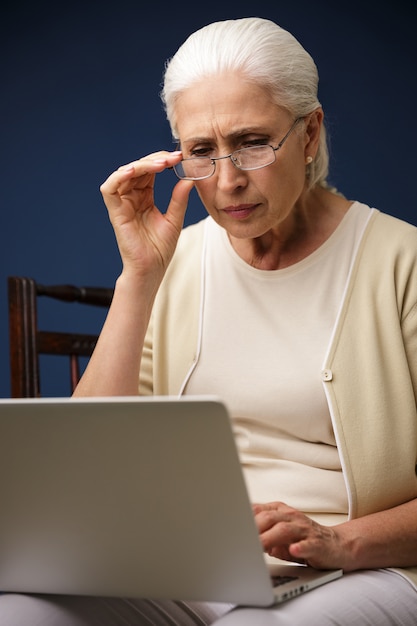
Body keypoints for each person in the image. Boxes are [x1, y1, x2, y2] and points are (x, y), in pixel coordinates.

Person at [2, 15, 417, 626]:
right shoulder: (180, 261)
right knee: (21, 610)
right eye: (201, 151)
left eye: (252, 141)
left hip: (360, 566)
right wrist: (139, 278)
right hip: (191, 566)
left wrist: (342, 541)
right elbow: (89, 461)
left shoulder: (400, 264)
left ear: (309, 134)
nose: (228, 181)